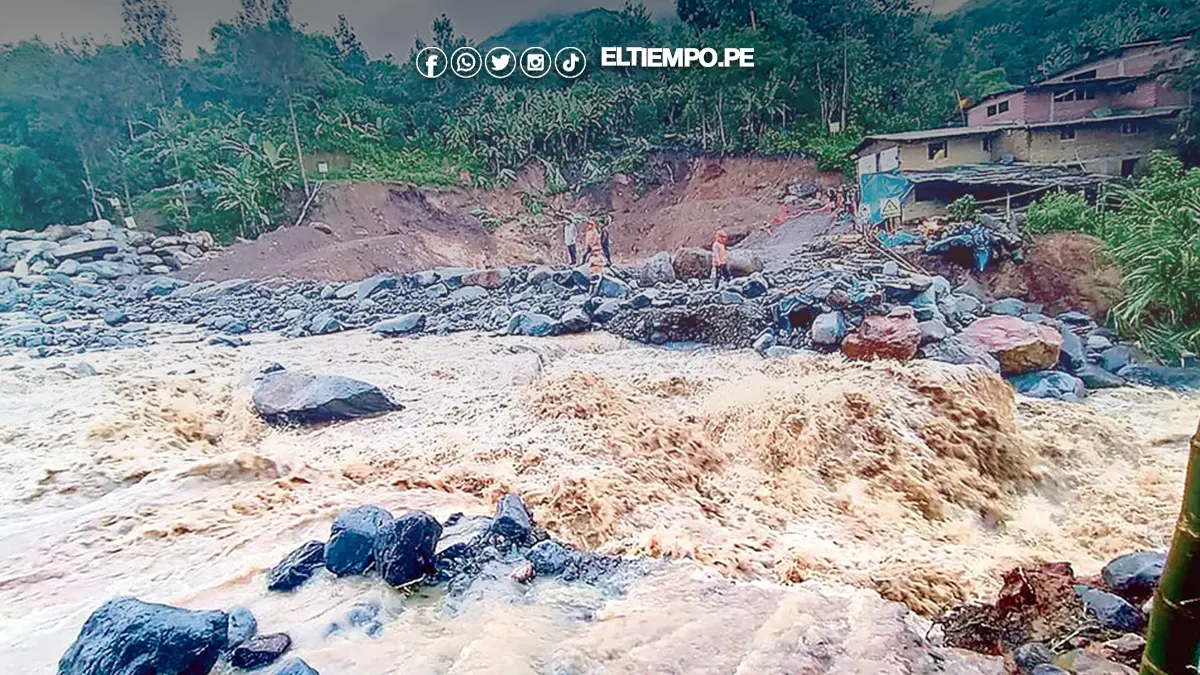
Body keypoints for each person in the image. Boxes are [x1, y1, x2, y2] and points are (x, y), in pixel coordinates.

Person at [584, 218, 606, 296]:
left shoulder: (594, 232)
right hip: (592, 272)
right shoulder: (588, 232)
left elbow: (596, 239)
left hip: (597, 273)